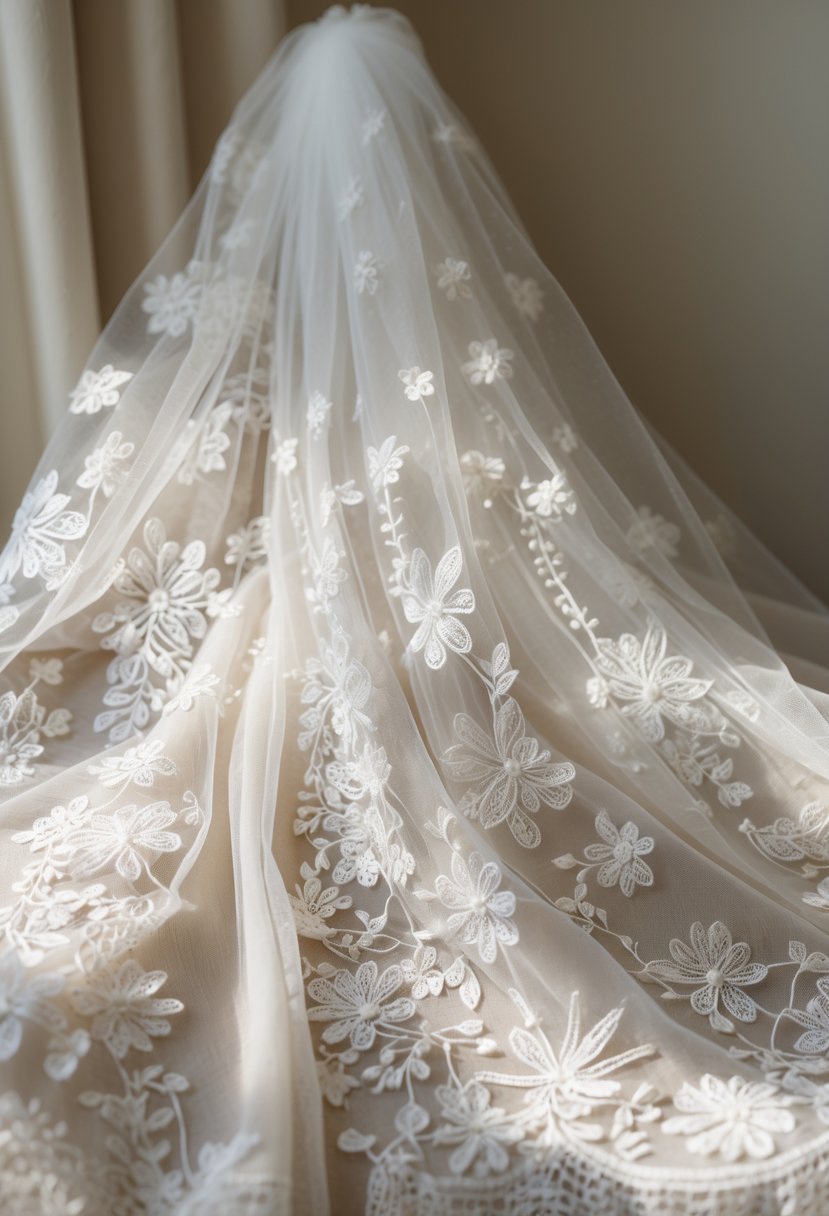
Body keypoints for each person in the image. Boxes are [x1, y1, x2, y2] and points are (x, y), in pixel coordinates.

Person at [0, 6, 827, 1213]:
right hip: (393, 631)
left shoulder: (230, 374)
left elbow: (143, 540)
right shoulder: (455, 412)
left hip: (312, 628)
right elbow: (541, 553)